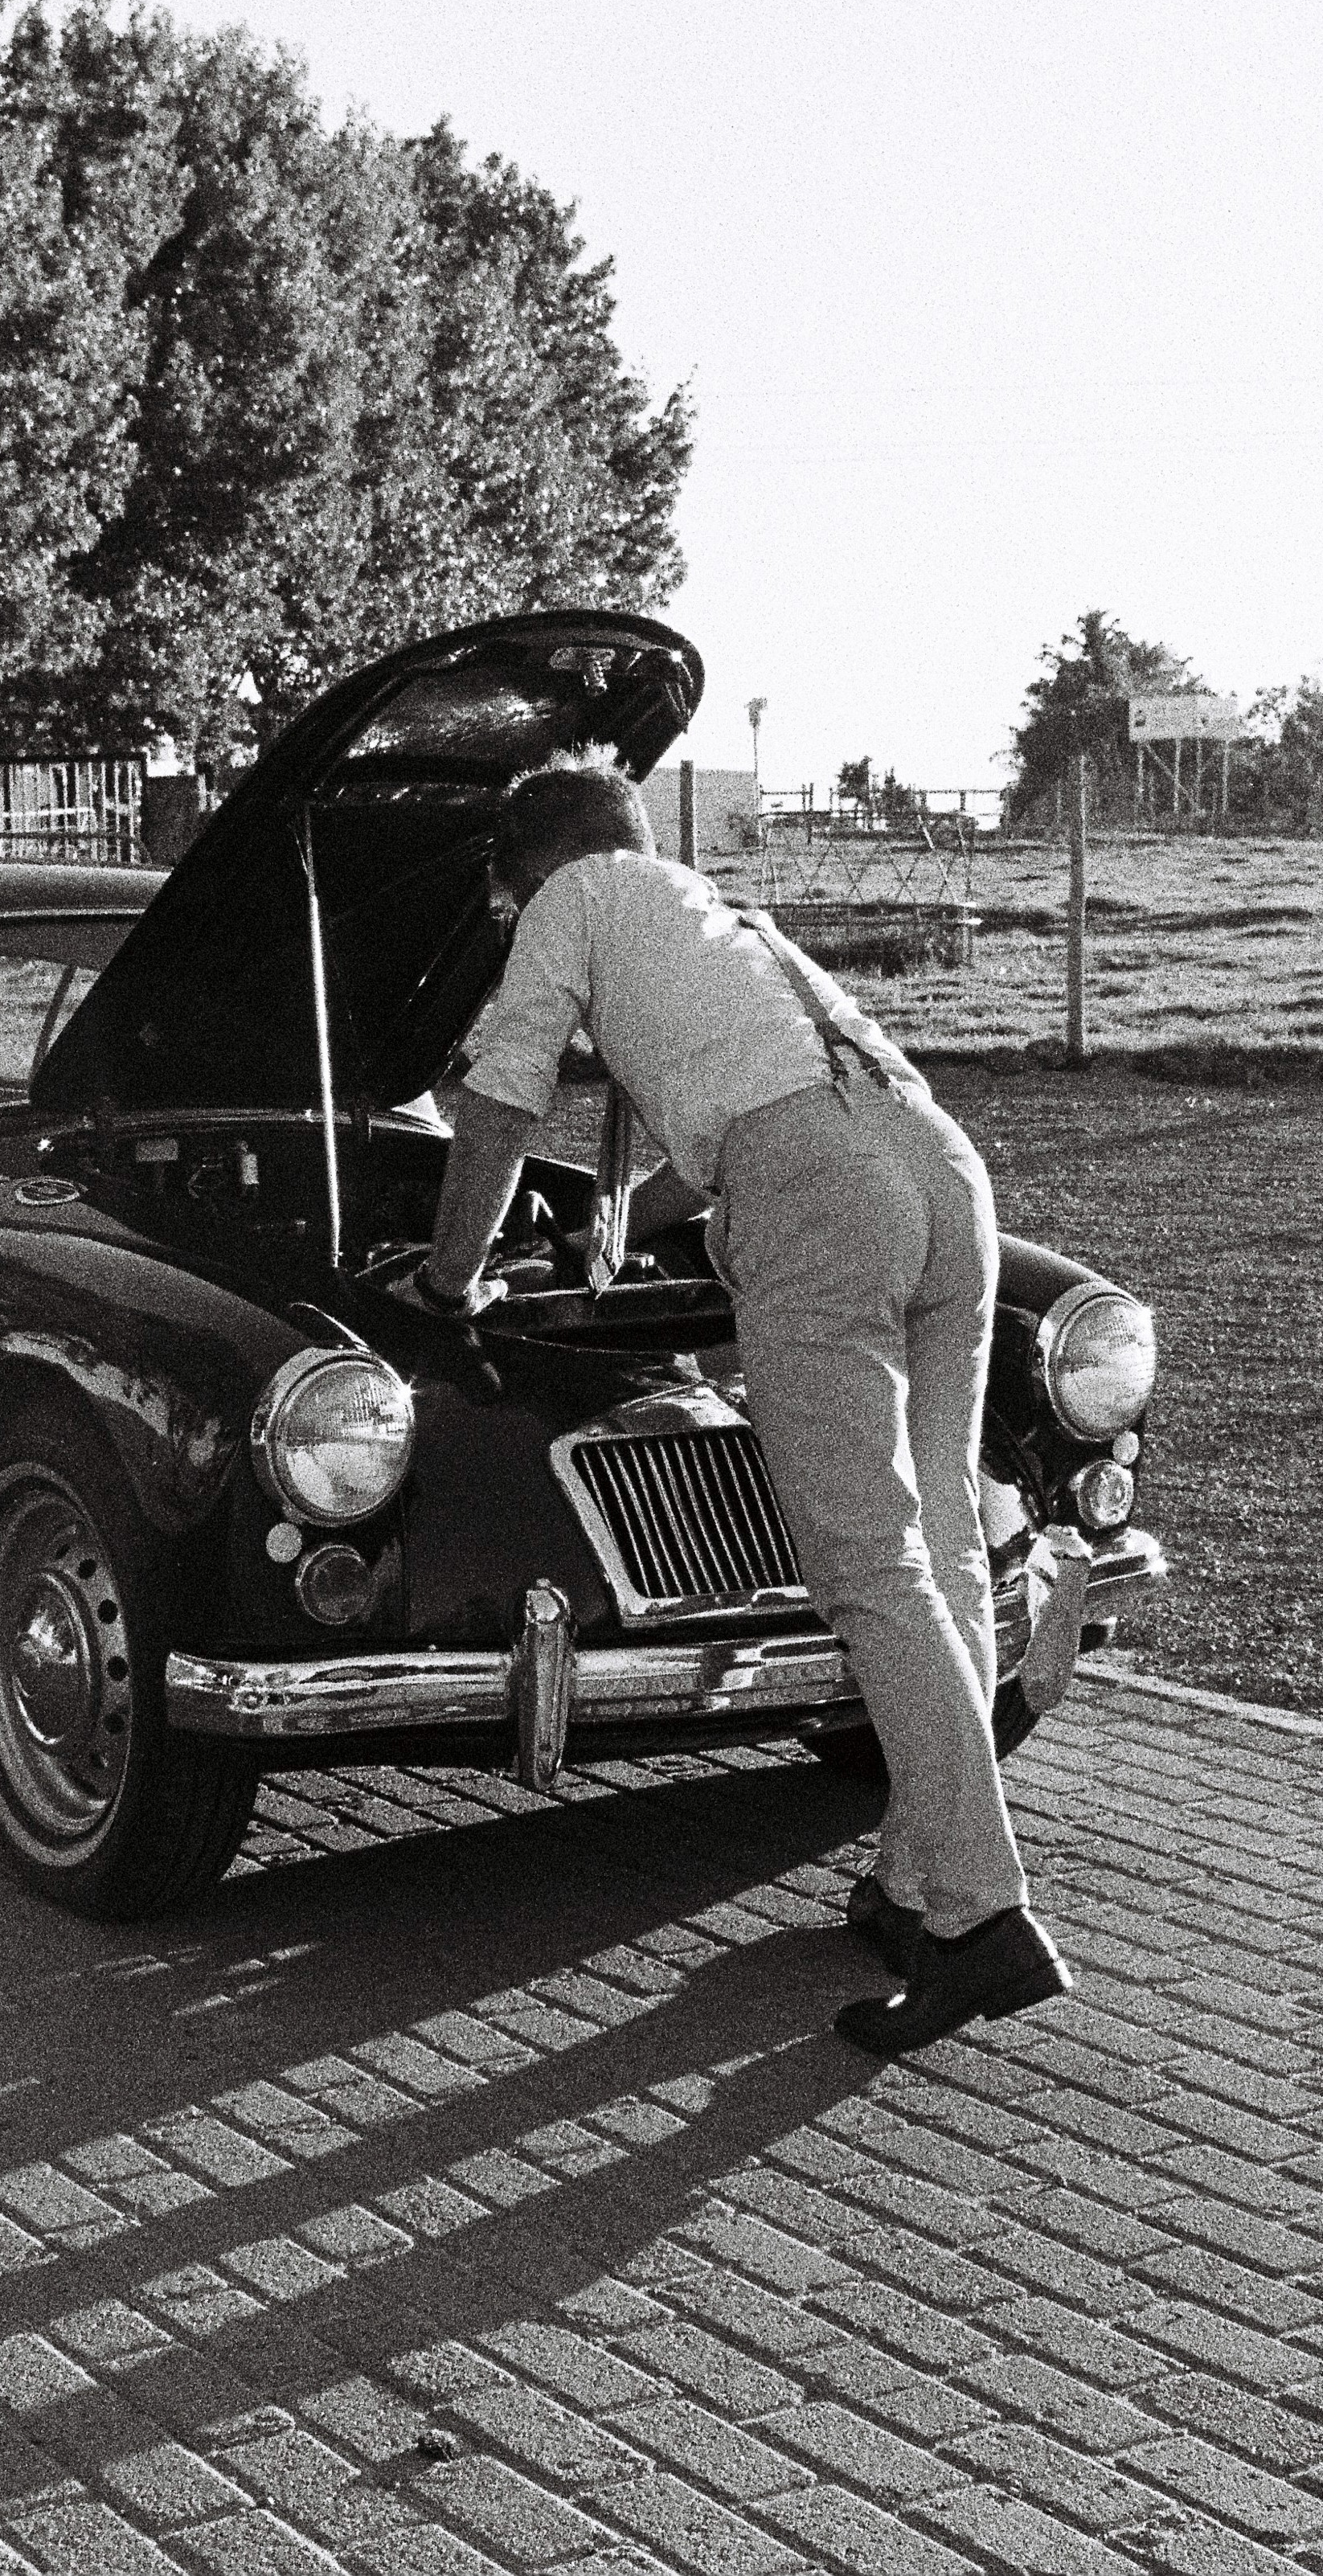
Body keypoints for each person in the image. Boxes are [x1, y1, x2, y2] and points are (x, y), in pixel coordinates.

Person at [409, 761, 1067, 2054]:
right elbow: (753, 1116)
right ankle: (916, 1885)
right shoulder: (722, 917)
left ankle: (983, 1919)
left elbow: (498, 1103)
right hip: (940, 1170)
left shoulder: (573, 894)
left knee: (870, 1570)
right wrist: (612, 1224)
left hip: (817, 1198)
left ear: (533, 864)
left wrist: (450, 1276)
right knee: (938, 1546)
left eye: (503, 896)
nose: (505, 914)